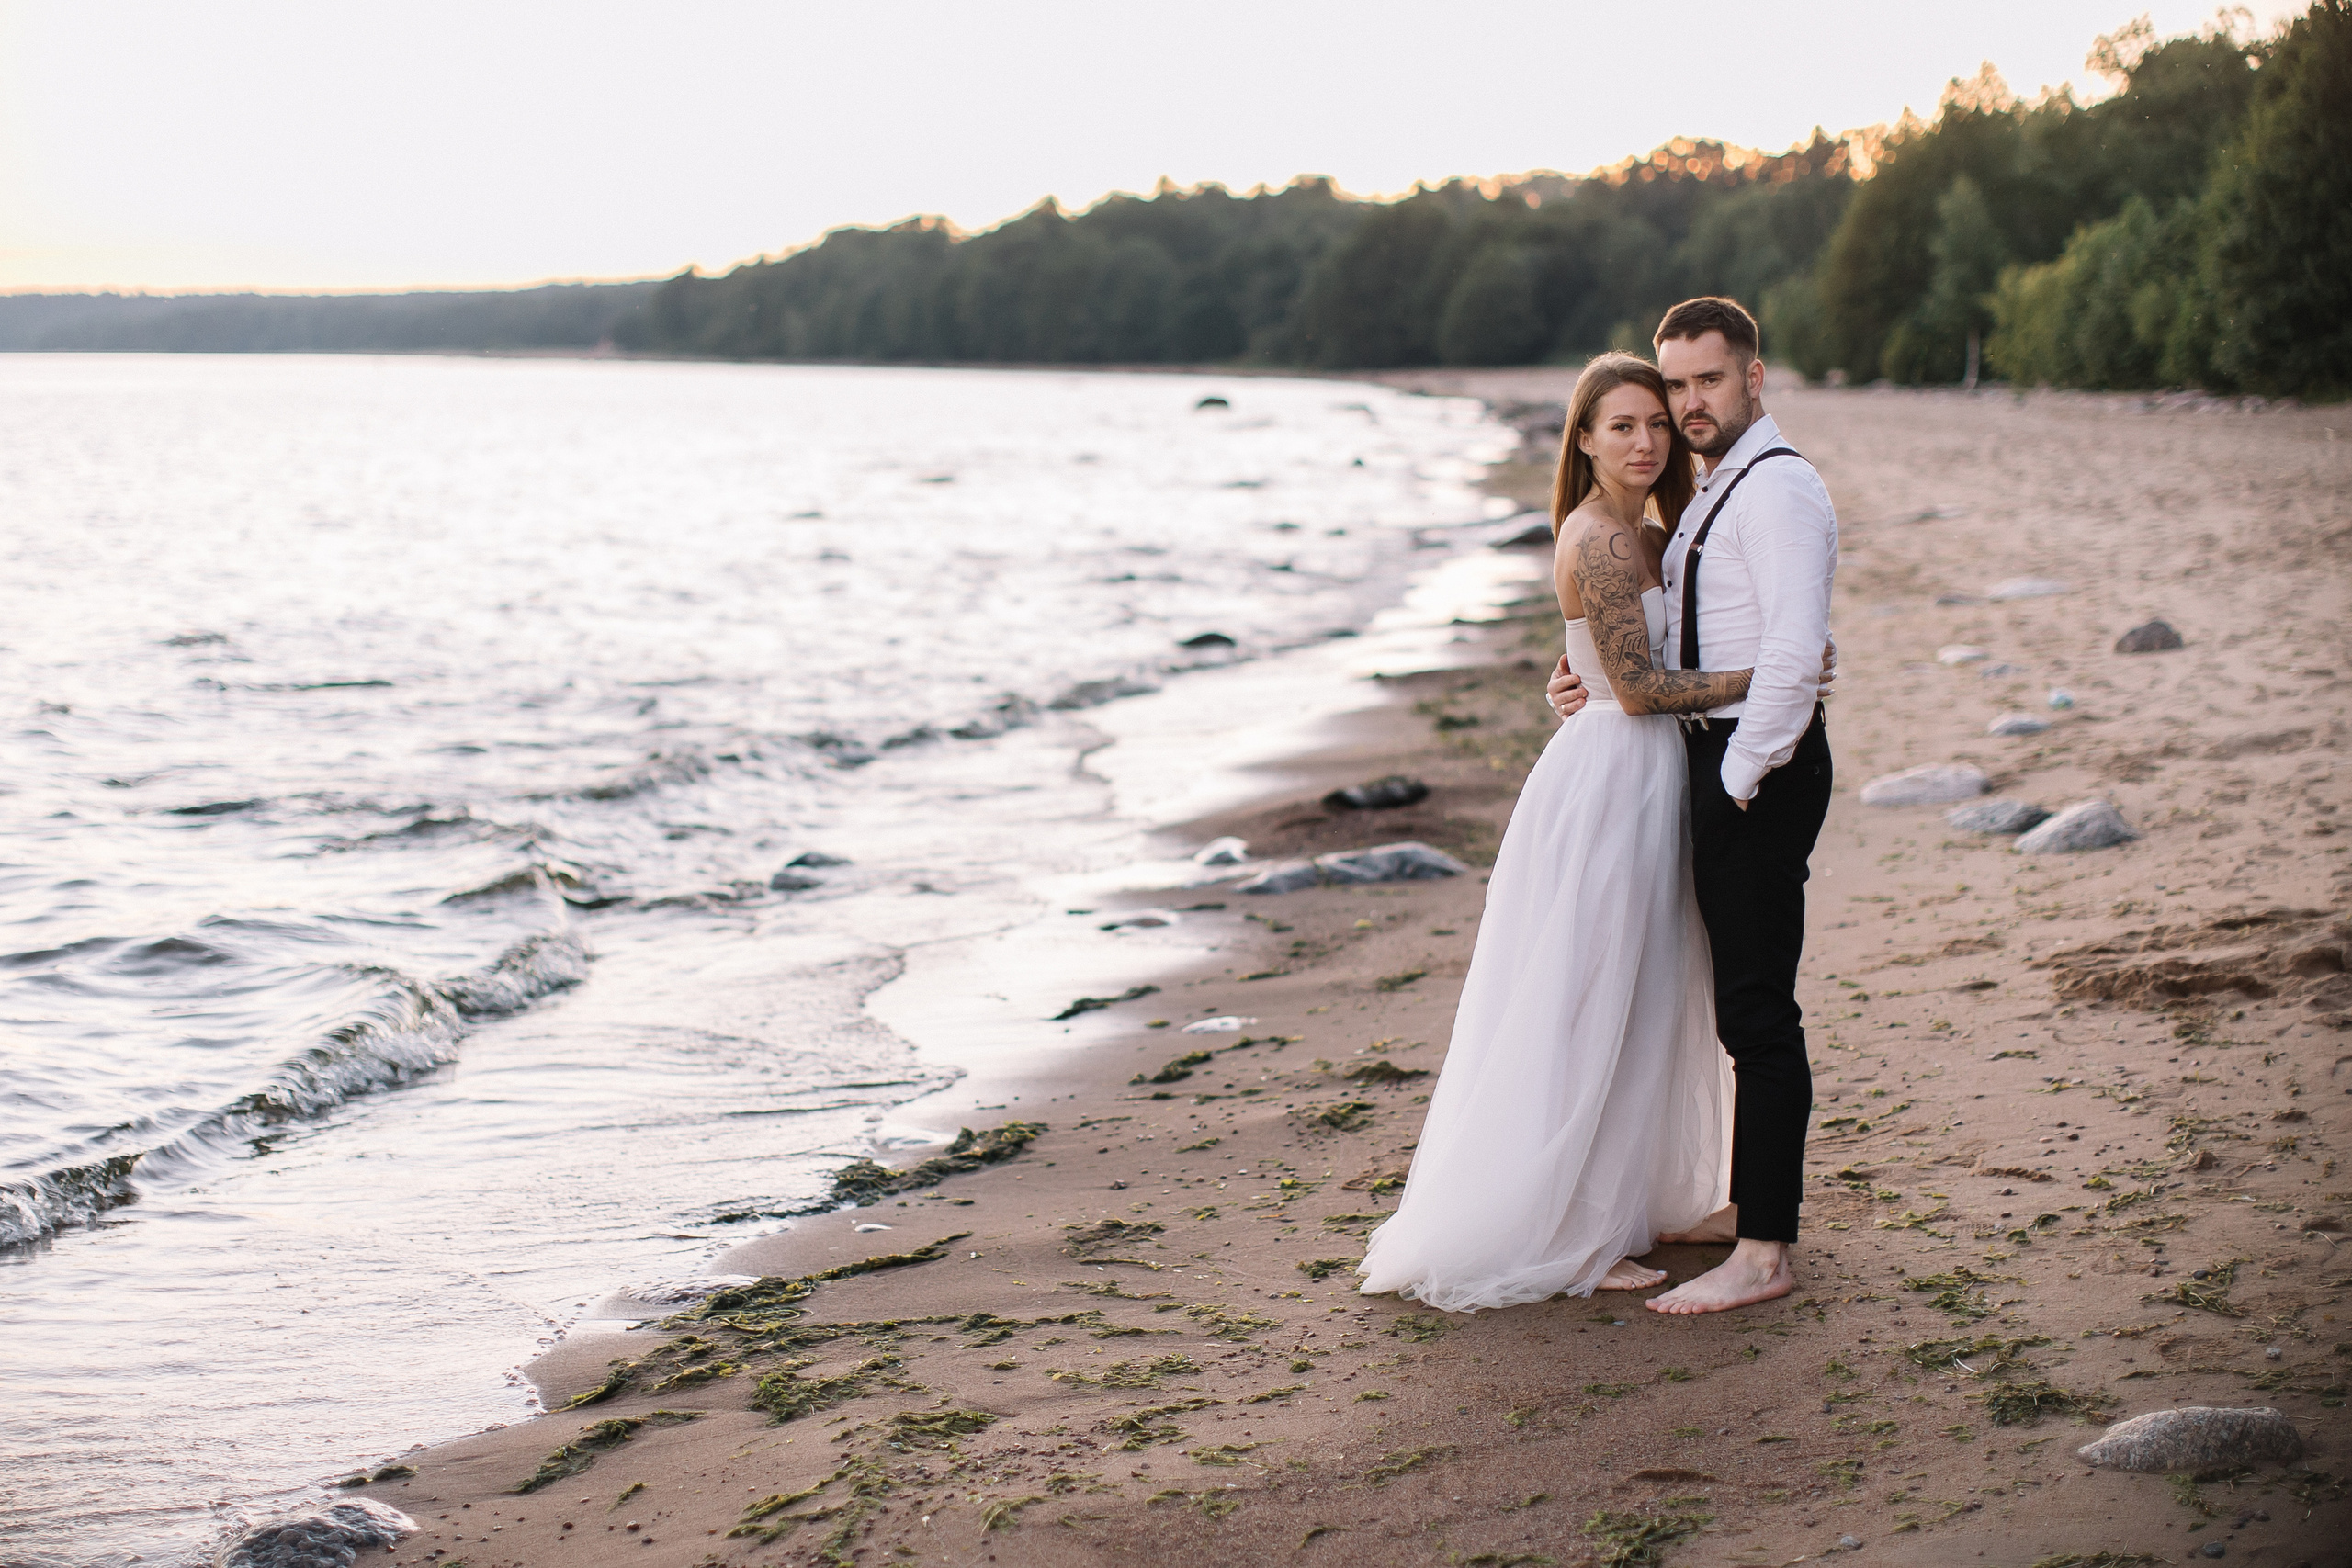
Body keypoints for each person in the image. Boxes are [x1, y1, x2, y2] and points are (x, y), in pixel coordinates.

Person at [1354, 352, 1750, 1311]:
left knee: (1640, 986)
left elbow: (1608, 663)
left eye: (1656, 424)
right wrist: (1769, 677)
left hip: (1636, 768)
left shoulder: (1643, 534)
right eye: (1622, 426)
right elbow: (1642, 688)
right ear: (1583, 437)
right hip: (1612, 777)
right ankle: (1567, 1232)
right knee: (1589, 994)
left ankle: (1626, 1200)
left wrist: (1572, 677)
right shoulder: (1606, 542)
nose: (1646, 442)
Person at [1547, 297, 1837, 1315]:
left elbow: (1794, 655)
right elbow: (1643, 639)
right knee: (1721, 1004)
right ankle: (1745, 1209)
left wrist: (1733, 777)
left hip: (1751, 769)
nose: (1683, 406)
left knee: (1756, 1014)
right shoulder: (1708, 493)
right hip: (1699, 763)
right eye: (1671, 387)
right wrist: (1573, 672)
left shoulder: (1776, 493)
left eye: (1704, 382)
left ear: (1753, 377)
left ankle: (1762, 1252)